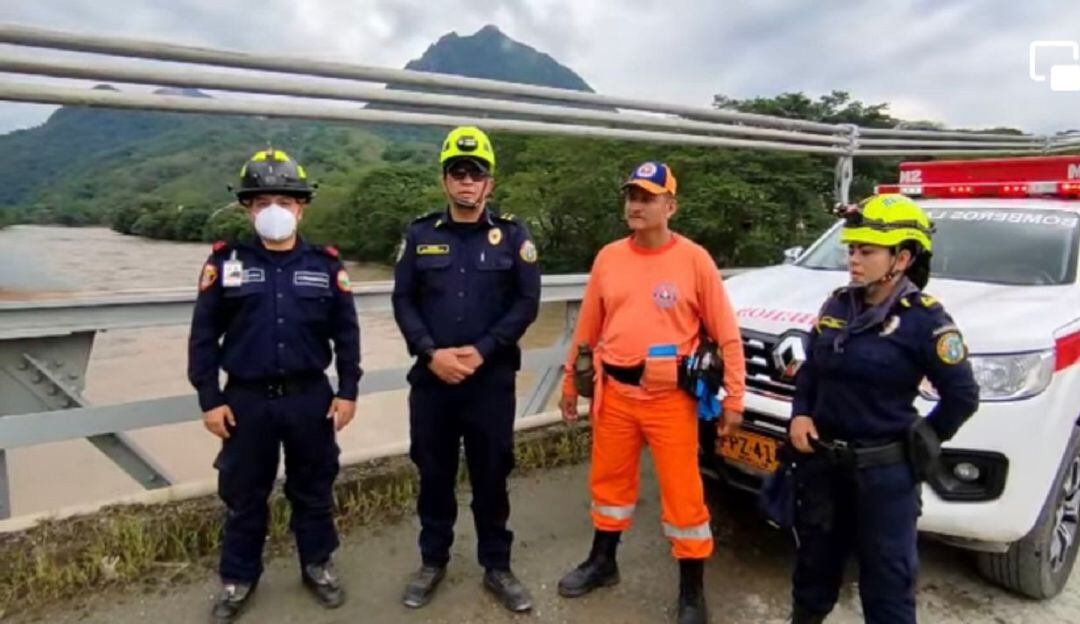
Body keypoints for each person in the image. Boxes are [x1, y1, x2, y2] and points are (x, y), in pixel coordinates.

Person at [556, 161, 746, 624]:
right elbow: (588, 330)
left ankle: (692, 592)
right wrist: (570, 381)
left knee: (684, 496)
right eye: (631, 197)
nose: (636, 206)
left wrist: (735, 397)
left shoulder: (694, 260)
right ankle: (603, 561)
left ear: (670, 206)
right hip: (615, 394)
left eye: (647, 198)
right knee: (609, 486)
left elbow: (727, 334)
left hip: (670, 400)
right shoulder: (608, 258)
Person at [787, 194, 980, 623]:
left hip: (884, 476)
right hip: (824, 467)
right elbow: (813, 367)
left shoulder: (925, 321)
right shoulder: (839, 304)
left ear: (902, 258)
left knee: (888, 584)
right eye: (852, 250)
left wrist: (923, 440)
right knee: (813, 569)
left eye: (867, 252)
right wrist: (801, 412)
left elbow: (962, 395)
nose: (854, 260)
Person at [187, 149, 361, 623]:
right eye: (262, 202)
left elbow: (347, 335)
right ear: (247, 208)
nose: (274, 210)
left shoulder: (326, 265)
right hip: (245, 401)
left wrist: (348, 391)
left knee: (314, 489)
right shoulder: (225, 263)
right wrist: (210, 399)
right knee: (244, 495)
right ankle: (238, 578)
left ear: (302, 207)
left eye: (284, 201)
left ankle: (318, 564)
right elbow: (203, 337)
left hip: (310, 398)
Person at [391, 126, 541, 613]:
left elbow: (526, 302)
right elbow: (403, 300)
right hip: (432, 381)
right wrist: (430, 352)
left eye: (476, 174)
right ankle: (432, 562)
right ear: (445, 180)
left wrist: (482, 350)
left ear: (490, 183)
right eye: (458, 173)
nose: (467, 182)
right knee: (433, 474)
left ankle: (497, 566)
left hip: (489, 382)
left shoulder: (513, 236)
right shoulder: (419, 235)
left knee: (491, 475)